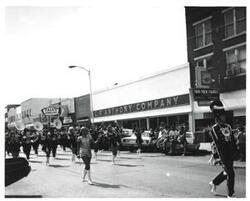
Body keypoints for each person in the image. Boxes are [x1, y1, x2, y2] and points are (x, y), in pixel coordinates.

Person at [208, 100, 237, 198]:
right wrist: (217, 157)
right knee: (231, 173)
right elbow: (218, 143)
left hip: (231, 154)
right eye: (222, 116)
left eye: (224, 115)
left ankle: (214, 182)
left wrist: (235, 151)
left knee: (226, 172)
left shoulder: (228, 126)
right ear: (218, 117)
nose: (224, 117)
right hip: (223, 155)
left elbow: (232, 140)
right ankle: (231, 194)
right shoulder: (214, 129)